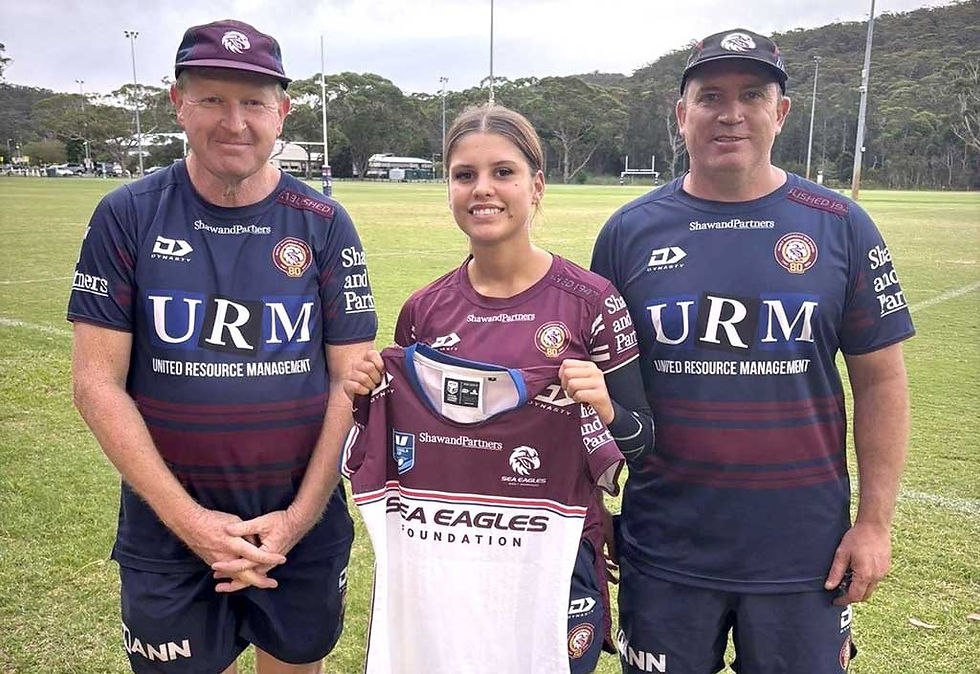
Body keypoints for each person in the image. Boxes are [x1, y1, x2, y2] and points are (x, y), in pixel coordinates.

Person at [591, 28, 914, 674]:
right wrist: (595, 504)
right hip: (665, 548)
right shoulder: (628, 233)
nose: (730, 113)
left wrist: (874, 524)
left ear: (781, 112)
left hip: (804, 554)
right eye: (710, 96)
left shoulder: (839, 224)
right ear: (682, 115)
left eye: (752, 95)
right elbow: (595, 386)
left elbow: (880, 382)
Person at [68, 19, 376, 674]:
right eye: (212, 98)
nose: (234, 122)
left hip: (301, 528)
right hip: (167, 532)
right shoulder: (127, 214)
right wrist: (192, 523)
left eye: (254, 102)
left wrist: (297, 517)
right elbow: (96, 384)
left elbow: (350, 384)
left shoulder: (323, 224)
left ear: (282, 112)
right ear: (177, 103)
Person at [343, 104, 655, 673]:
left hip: (555, 552)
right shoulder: (423, 312)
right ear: (449, 188)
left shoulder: (592, 302)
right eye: (465, 175)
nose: (482, 190)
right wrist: (367, 389)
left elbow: (642, 442)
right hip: (448, 551)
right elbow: (406, 444)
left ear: (536, 186)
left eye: (502, 172)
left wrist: (605, 406)